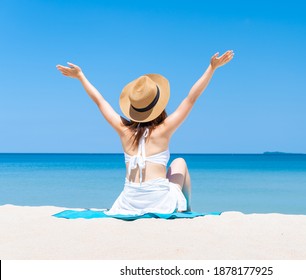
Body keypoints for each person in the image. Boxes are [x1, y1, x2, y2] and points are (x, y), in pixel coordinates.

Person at [56, 50, 234, 216]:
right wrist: (211, 68)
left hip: (129, 203)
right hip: (160, 203)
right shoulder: (164, 129)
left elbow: (100, 101)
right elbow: (191, 98)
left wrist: (80, 76)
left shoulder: (124, 131)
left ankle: (182, 207)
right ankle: (186, 208)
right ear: (158, 105)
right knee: (180, 162)